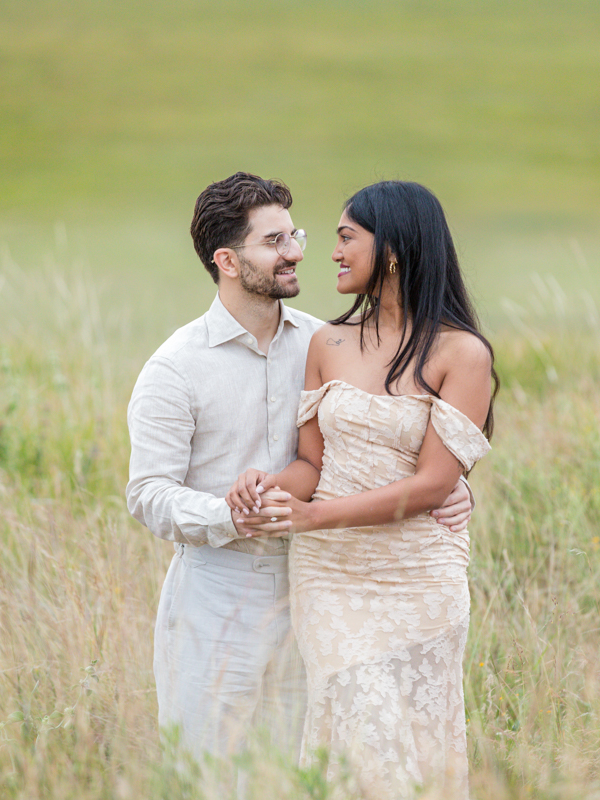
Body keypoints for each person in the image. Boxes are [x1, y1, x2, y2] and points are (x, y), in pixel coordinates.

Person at [125, 173, 474, 764]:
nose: (297, 253)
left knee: (304, 769)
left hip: (319, 586)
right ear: (228, 262)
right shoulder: (175, 368)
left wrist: (457, 486)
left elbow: (395, 442)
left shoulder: (328, 340)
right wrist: (232, 514)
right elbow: (148, 493)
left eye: (296, 235)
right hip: (217, 591)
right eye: (275, 242)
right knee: (206, 770)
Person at [226, 180, 497, 799]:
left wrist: (313, 518)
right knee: (359, 726)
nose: (332, 252)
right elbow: (309, 467)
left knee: (416, 746)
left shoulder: (462, 353)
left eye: (347, 238)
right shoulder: (330, 342)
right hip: (332, 576)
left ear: (393, 249)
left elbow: (434, 485)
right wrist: (267, 485)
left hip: (420, 576)